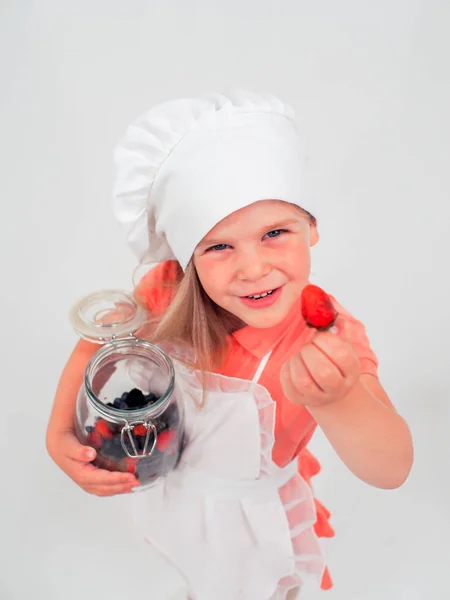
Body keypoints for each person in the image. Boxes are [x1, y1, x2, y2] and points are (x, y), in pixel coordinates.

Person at [46, 91, 414, 600]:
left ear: (312, 229)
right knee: (193, 576)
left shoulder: (326, 337)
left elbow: (391, 468)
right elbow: (100, 346)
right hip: (176, 490)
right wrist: (59, 431)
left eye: (275, 233)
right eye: (219, 246)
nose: (254, 268)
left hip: (254, 522)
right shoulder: (164, 290)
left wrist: (339, 398)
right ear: (187, 256)